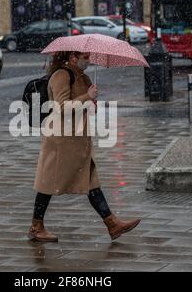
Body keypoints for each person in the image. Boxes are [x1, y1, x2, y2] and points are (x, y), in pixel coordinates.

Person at [29, 51, 140, 242]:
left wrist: (92, 103)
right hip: (61, 141)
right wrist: (87, 97)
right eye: (85, 57)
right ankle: (36, 226)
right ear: (73, 57)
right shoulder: (61, 75)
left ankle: (112, 224)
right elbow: (61, 107)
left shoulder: (84, 76)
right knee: (48, 184)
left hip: (79, 140)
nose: (89, 60)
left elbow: (84, 107)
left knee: (91, 183)